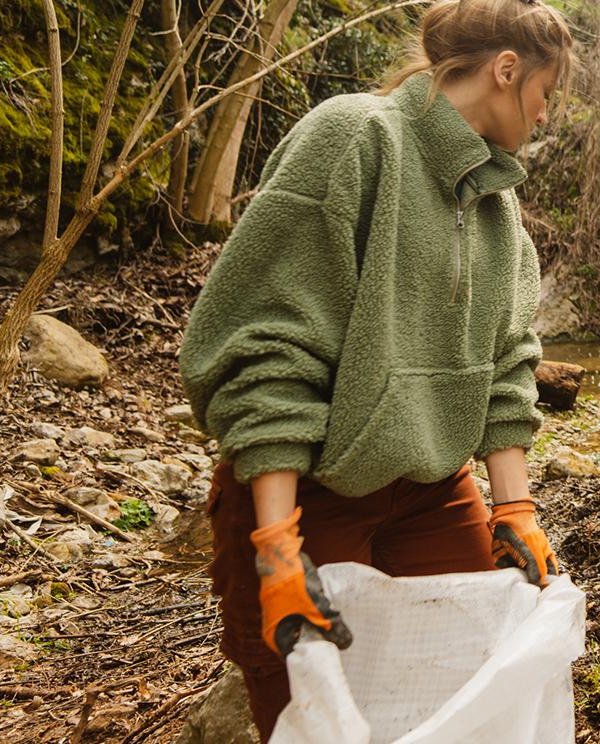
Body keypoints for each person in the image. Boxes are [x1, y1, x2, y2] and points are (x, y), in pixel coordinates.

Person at [176, 0, 574, 736]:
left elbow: (509, 364)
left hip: (431, 489)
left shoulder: (498, 201)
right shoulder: (356, 136)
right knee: (315, 709)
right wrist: (276, 545)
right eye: (546, 95)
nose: (546, 117)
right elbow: (269, 342)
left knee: (468, 691)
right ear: (506, 70)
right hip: (308, 490)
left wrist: (514, 508)